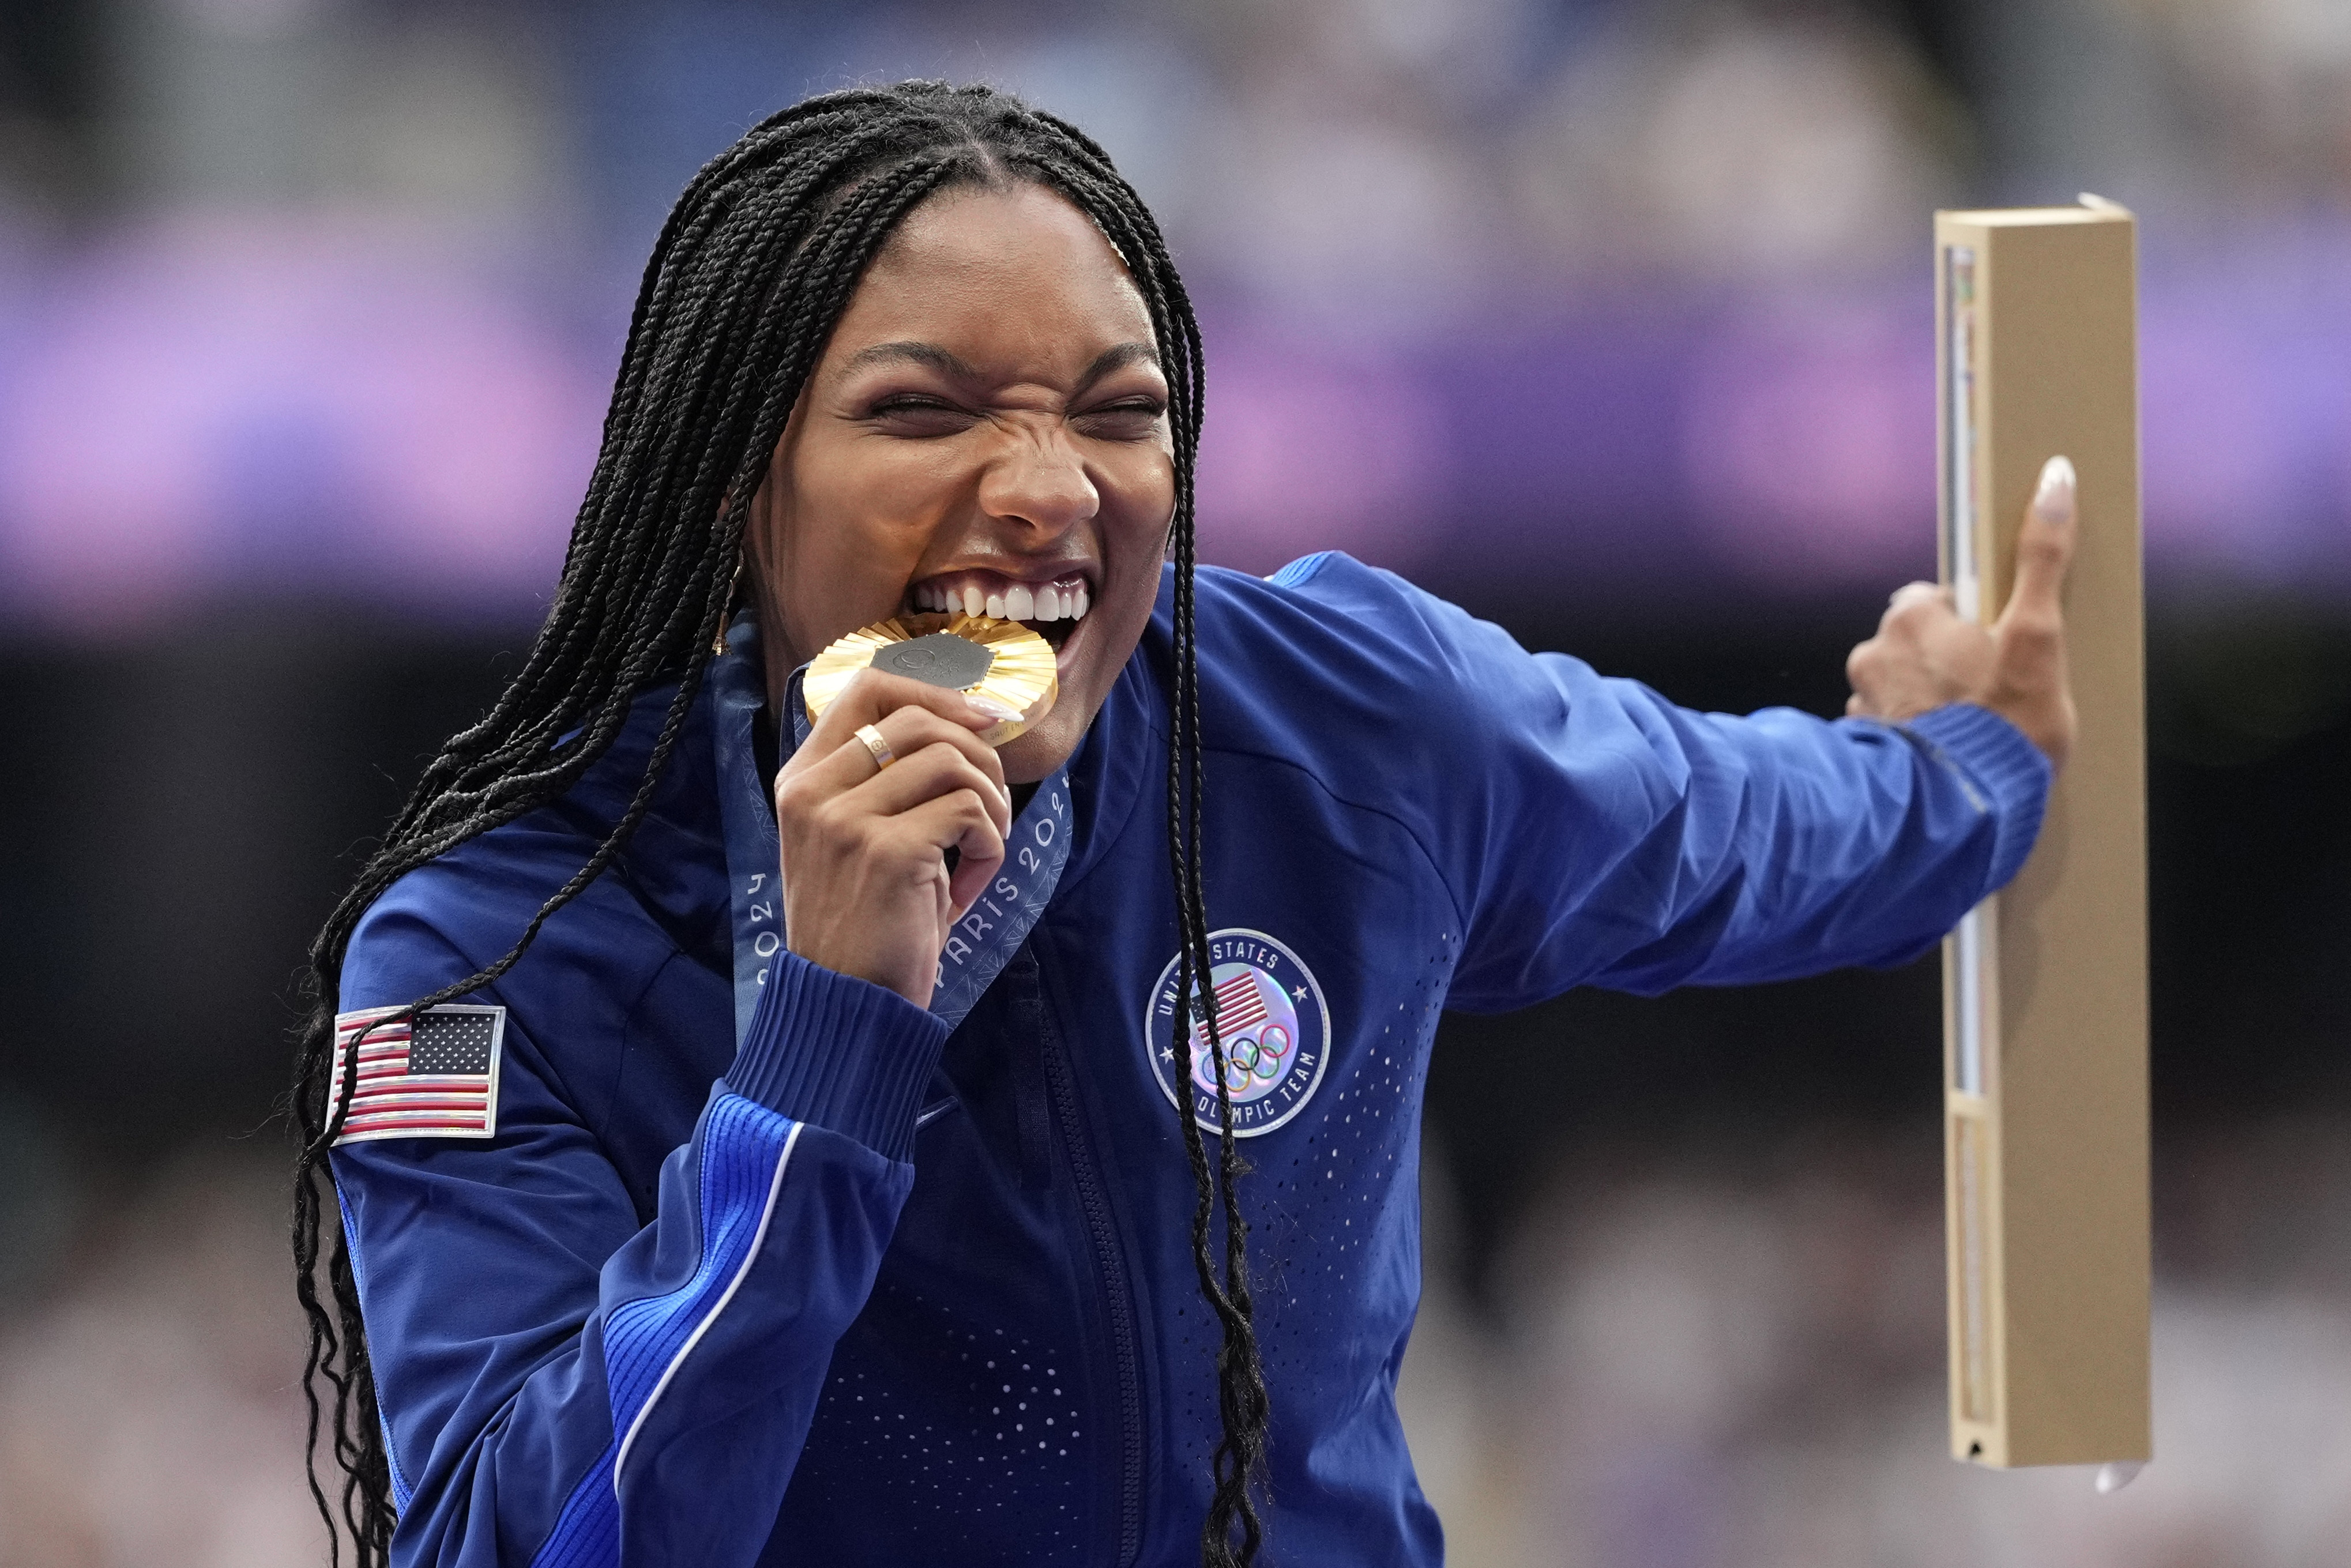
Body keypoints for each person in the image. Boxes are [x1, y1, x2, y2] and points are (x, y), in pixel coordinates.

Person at [289, 81, 2078, 1568]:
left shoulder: (1348, 723)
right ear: (733, 481)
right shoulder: (485, 959)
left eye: (1120, 413)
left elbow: (1751, 834)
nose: (1046, 488)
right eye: (921, 411)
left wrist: (1967, 765)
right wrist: (822, 1047)